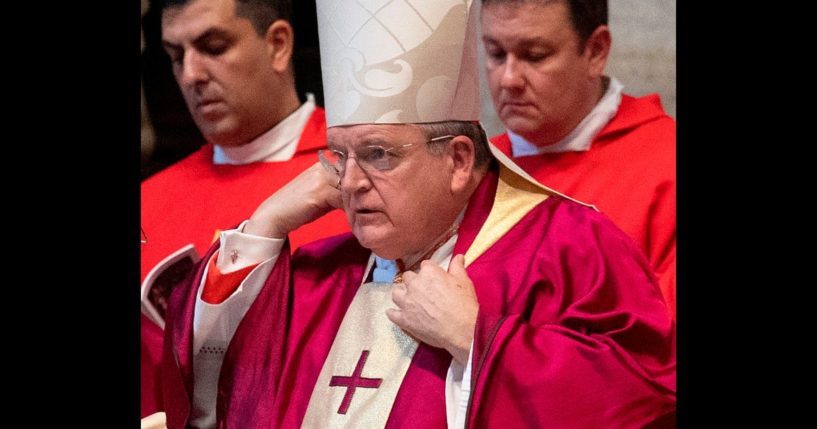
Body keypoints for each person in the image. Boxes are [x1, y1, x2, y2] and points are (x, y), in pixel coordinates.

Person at [162, 1, 676, 427]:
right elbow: (209, 387)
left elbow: (644, 400)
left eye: (379, 154)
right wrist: (266, 225)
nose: (352, 182)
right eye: (340, 156)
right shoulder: (325, 271)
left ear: (457, 160)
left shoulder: (571, 246)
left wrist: (477, 339)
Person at [140, 0, 349, 417]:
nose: (191, 75)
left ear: (278, 45)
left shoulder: (358, 172)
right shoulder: (148, 201)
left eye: (213, 47)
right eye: (176, 56)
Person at [481, 0, 676, 319]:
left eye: (535, 55)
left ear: (595, 51)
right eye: (496, 54)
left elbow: (658, 349)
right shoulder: (471, 170)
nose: (508, 79)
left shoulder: (666, 163)